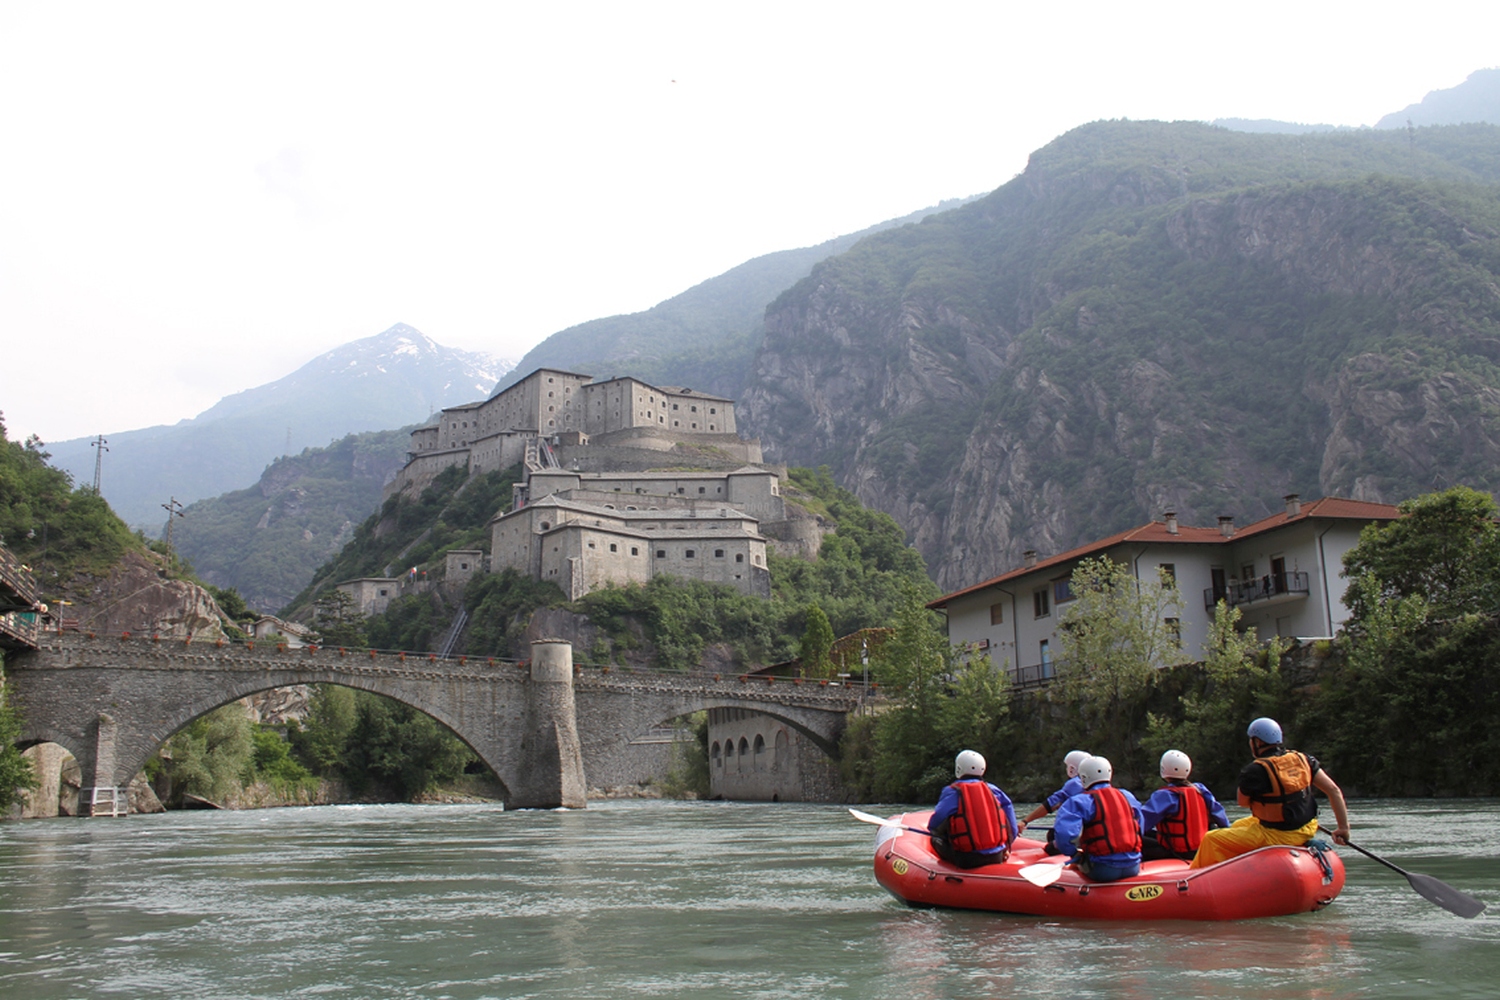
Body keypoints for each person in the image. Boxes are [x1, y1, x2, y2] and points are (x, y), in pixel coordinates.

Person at [1190, 717, 1351, 869]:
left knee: (1212, 838)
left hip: (1277, 835)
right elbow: (1334, 790)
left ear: (1257, 742)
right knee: (1239, 825)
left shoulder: (1255, 770)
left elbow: (1242, 803)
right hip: (1308, 828)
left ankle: (1196, 879)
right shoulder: (1304, 759)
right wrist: (1343, 828)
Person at [1052, 755, 1144, 882]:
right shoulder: (1127, 796)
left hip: (1102, 870)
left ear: (1083, 778)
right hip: (1133, 867)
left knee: (1078, 862)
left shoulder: (1079, 801)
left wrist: (1074, 853)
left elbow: (1064, 835)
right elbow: (1140, 825)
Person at [928, 749, 1018, 869]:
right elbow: (1013, 829)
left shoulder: (953, 791)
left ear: (959, 768)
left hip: (967, 859)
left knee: (934, 839)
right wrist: (1005, 848)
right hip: (997, 856)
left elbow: (935, 823)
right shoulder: (994, 790)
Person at [1140, 750, 1229, 862]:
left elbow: (1142, 822)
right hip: (1201, 848)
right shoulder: (1200, 790)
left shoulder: (1166, 795)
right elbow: (1220, 816)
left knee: (1138, 838)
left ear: (1163, 769)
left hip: (1177, 852)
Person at [1017, 749, 1090, 844]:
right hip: (1089, 832)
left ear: (1072, 768)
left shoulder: (1074, 784)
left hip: (1079, 834)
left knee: (1052, 837)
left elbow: (1050, 805)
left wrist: (1025, 821)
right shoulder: (1099, 785)